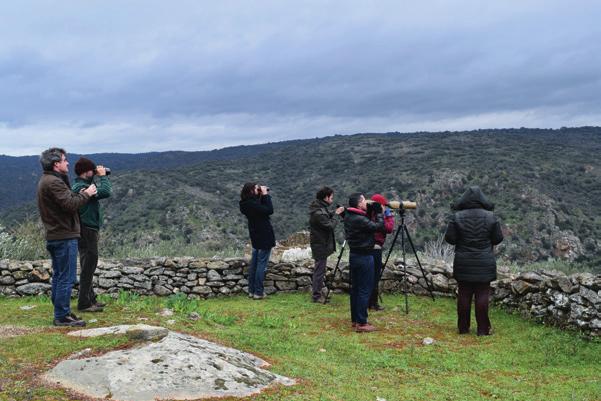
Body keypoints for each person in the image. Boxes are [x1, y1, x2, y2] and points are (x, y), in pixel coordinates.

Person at [37, 148, 97, 327]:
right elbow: (71, 204)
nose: (67, 163)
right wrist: (88, 193)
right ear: (56, 164)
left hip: (56, 235)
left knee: (59, 275)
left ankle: (62, 311)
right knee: (66, 277)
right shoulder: (53, 183)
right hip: (64, 236)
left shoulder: (48, 180)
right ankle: (61, 316)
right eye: (64, 160)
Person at [444, 186, 504, 336]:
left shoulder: (457, 217)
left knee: (464, 294)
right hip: (484, 261)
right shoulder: (491, 217)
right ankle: (483, 329)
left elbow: (450, 239)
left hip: (463, 261)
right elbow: (498, 238)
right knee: (482, 294)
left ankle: (463, 328)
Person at [72, 157, 112, 312]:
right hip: (86, 230)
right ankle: (84, 303)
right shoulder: (81, 187)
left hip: (86, 229)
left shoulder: (83, 185)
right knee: (89, 265)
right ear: (85, 172)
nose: (94, 172)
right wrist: (102, 176)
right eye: (92, 170)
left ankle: (90, 299)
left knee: (86, 265)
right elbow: (106, 192)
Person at [343, 193, 384, 332]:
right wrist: (378, 213)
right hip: (365, 256)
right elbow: (378, 226)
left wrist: (370, 211)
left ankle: (355, 320)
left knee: (355, 289)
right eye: (364, 200)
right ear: (359, 203)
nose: (367, 202)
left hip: (354, 254)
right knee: (364, 289)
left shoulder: (349, 216)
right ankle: (362, 323)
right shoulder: (359, 219)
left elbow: (365, 225)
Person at [308, 186, 345, 303]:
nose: (332, 200)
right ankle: (316, 296)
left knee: (320, 270)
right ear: (326, 197)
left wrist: (335, 212)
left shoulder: (319, 208)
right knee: (319, 271)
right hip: (320, 245)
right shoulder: (318, 212)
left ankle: (318, 292)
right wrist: (337, 215)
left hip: (320, 243)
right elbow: (329, 226)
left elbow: (327, 214)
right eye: (331, 198)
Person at [239, 182, 275, 300]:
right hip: (264, 234)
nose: (258, 189)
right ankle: (258, 292)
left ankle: (251, 290)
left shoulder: (245, 204)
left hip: (255, 235)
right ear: (251, 191)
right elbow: (269, 210)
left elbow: (260, 208)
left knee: (254, 264)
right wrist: (265, 195)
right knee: (261, 264)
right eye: (256, 188)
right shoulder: (252, 204)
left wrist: (260, 194)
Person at [367, 194, 395, 311]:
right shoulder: (378, 217)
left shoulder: (367, 214)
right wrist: (388, 216)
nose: (385, 208)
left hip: (367, 247)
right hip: (375, 248)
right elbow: (388, 228)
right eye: (384, 205)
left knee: (368, 276)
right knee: (374, 276)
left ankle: (368, 302)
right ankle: (373, 304)